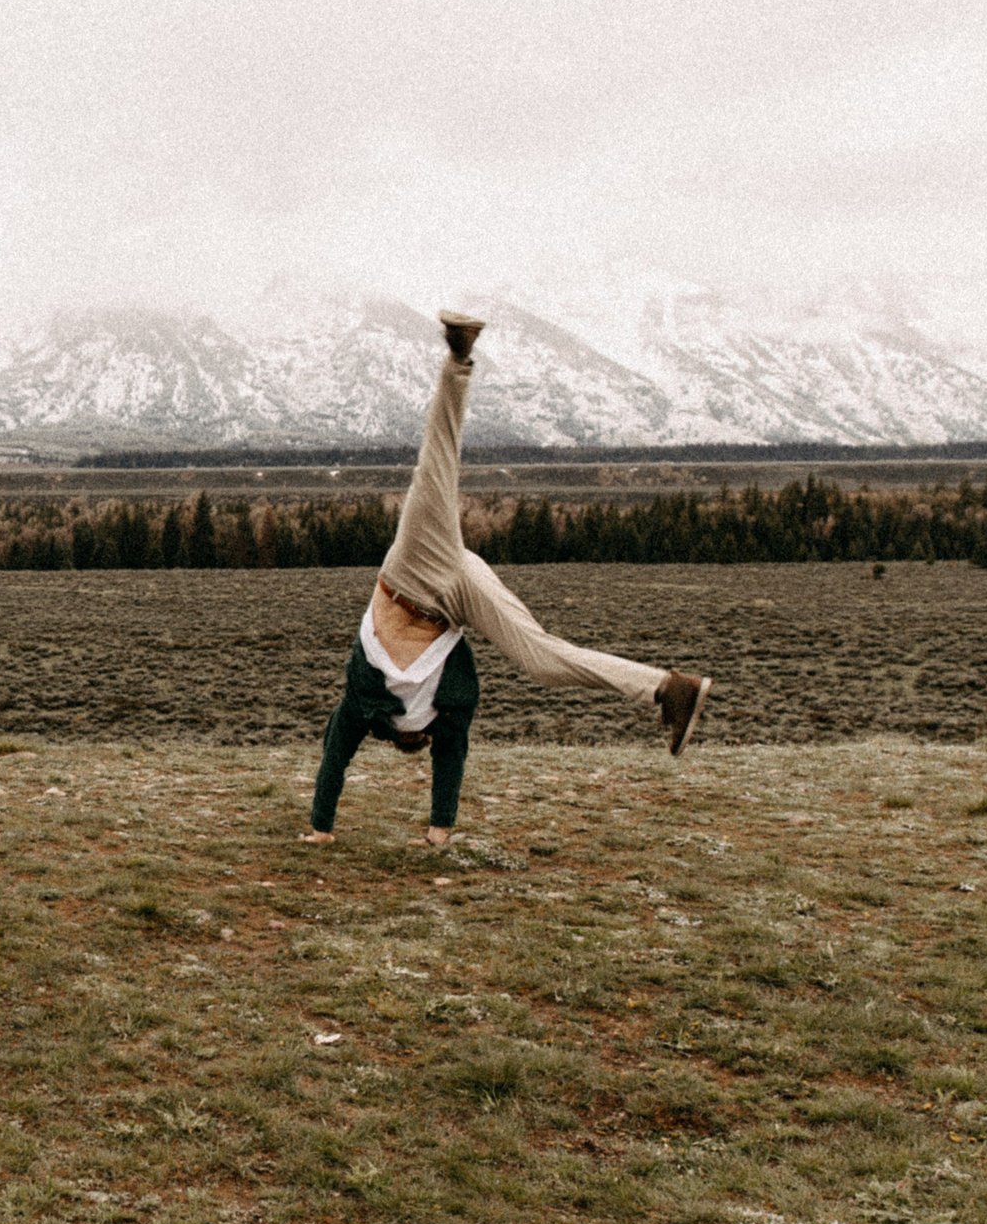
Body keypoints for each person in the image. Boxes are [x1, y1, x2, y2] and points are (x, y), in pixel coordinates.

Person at [301, 310, 709, 849]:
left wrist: (319, 831)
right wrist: (438, 835)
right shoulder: (451, 704)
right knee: (540, 658)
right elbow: (452, 759)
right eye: (426, 738)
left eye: (417, 739)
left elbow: (334, 752)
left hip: (413, 572)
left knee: (435, 470)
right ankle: (668, 689)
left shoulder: (363, 703)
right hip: (456, 598)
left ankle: (458, 358)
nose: (426, 738)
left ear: (403, 734)